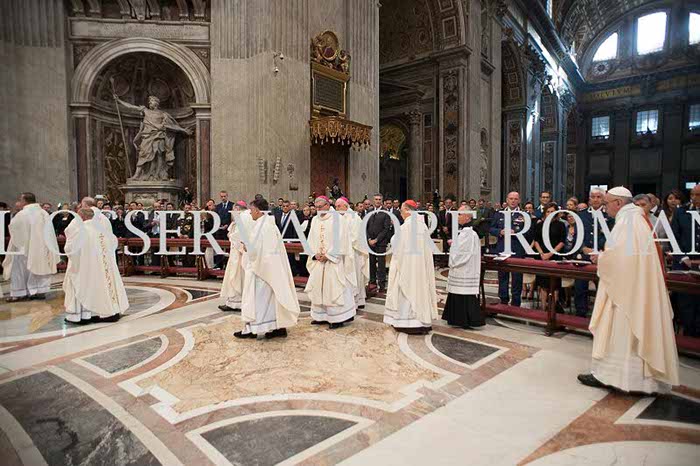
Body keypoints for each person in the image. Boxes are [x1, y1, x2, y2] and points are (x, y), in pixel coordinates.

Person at [578, 187, 679, 394]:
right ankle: (639, 381)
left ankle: (612, 376)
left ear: (618, 203)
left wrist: (601, 258)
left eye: (606, 203)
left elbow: (620, 258)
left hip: (626, 291)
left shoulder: (627, 221)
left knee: (622, 330)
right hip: (635, 287)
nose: (604, 208)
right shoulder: (637, 219)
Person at [235, 198, 300, 339]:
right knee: (269, 300)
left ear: (258, 210)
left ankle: (255, 329)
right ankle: (277, 328)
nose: (250, 213)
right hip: (266, 268)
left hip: (262, 271)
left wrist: (247, 247)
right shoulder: (265, 224)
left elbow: (261, 250)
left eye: (252, 210)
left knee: (259, 300)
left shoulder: (264, 226)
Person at [63, 208, 129, 324]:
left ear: (81, 217)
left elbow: (70, 250)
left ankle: (85, 315)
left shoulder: (81, 230)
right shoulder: (101, 230)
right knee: (103, 286)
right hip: (103, 266)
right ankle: (106, 313)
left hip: (87, 267)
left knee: (85, 287)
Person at [384, 200, 438, 334]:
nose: (400, 213)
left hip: (407, 267)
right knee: (420, 291)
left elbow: (396, 244)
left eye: (402, 210)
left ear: (408, 210)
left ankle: (406, 323)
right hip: (420, 267)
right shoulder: (422, 226)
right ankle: (421, 322)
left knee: (406, 291)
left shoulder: (406, 227)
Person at [305, 196, 356, 329]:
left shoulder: (338, 219)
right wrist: (314, 254)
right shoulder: (315, 220)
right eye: (316, 207)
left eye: (320, 207)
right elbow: (311, 239)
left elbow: (342, 240)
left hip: (333, 261)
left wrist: (328, 255)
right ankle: (320, 316)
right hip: (319, 261)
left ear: (327, 205)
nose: (318, 210)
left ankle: (338, 318)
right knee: (319, 287)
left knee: (334, 288)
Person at [3, 192, 59, 301]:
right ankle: (39, 291)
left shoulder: (22, 214)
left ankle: (20, 293)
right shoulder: (43, 213)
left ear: (24, 201)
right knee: (41, 267)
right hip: (41, 247)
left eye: (21, 199)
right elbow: (49, 231)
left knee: (19, 269)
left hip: (24, 248)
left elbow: (14, 227)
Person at [574, 188, 614, 317]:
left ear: (603, 199)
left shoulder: (609, 215)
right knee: (580, 287)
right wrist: (583, 248)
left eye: (598, 197)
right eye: (593, 197)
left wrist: (601, 250)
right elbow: (577, 235)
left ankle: (601, 316)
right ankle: (580, 314)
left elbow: (612, 236)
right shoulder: (581, 215)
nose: (595, 199)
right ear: (589, 199)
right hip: (583, 255)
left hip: (602, 255)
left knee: (602, 287)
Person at [442, 207, 484, 329]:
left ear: (467, 216)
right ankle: (457, 319)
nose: (457, 216)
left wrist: (452, 260)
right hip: (463, 269)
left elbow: (462, 253)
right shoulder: (465, 231)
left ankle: (466, 320)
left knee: (463, 293)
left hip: (464, 269)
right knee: (458, 292)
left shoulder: (468, 233)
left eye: (460, 214)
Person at [489, 191, 529, 306]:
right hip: (502, 249)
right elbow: (491, 228)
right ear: (507, 200)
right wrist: (499, 231)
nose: (513, 201)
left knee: (517, 277)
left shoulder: (524, 215)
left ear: (519, 200)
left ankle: (516, 302)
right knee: (502, 276)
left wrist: (516, 232)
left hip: (517, 249)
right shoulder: (499, 214)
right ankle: (503, 300)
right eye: (511, 198)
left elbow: (529, 232)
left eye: (515, 199)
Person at [671, 184, 700, 337]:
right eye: (692, 194)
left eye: (698, 195)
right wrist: (683, 257)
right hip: (684, 263)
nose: (694, 198)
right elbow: (674, 237)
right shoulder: (681, 212)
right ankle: (688, 335)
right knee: (686, 304)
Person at [336, 197, 369, 309]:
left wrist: (341, 244)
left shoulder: (354, 218)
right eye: (336, 206)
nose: (336, 209)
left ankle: (357, 301)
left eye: (338, 206)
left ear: (346, 206)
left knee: (355, 275)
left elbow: (354, 237)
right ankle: (348, 300)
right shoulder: (339, 217)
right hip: (343, 252)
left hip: (354, 251)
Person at [532, 203, 566, 309]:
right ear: (545, 213)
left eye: (552, 211)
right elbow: (536, 241)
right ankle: (543, 309)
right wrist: (542, 254)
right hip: (542, 257)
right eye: (548, 211)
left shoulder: (560, 225)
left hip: (555, 256)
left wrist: (550, 254)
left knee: (555, 285)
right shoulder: (539, 225)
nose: (550, 213)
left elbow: (562, 242)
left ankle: (552, 309)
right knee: (543, 285)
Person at [219, 202, 252, 312]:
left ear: (237, 209)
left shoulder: (243, 218)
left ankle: (237, 303)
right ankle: (232, 302)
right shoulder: (243, 218)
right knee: (235, 276)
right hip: (236, 253)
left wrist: (231, 235)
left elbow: (239, 237)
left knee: (237, 276)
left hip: (239, 254)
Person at [366, 193, 393, 292]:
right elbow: (366, 226)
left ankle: (382, 284)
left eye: (379, 199)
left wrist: (376, 239)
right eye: (376, 199)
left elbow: (386, 229)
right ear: (373, 200)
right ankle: (372, 282)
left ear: (382, 201)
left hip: (381, 242)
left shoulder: (385, 212)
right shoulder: (369, 211)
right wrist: (369, 239)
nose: (377, 201)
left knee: (381, 264)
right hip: (370, 242)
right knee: (371, 263)